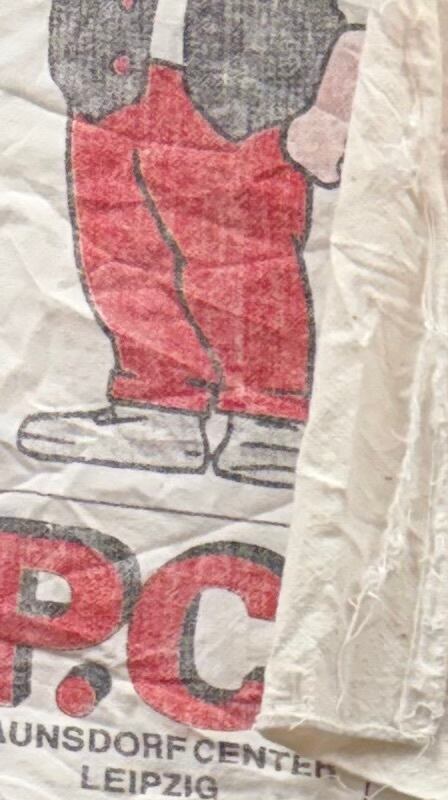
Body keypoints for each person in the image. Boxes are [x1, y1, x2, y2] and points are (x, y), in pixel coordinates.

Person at [22, 0, 359, 488]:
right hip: (109, 73)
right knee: (119, 251)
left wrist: (340, 97)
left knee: (245, 257)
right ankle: (155, 406)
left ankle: (270, 415)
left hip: (252, 88)